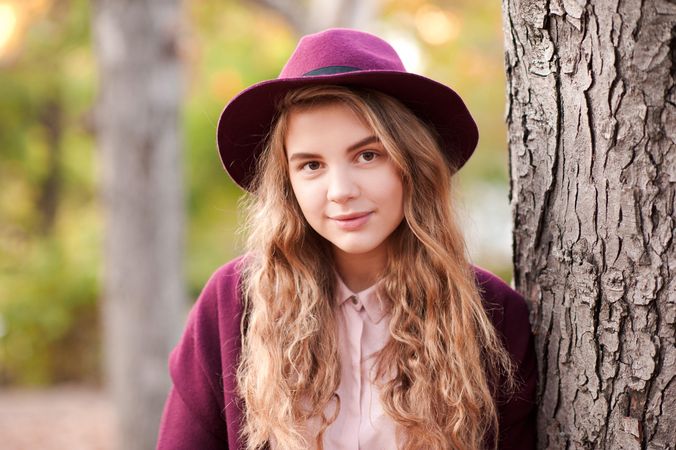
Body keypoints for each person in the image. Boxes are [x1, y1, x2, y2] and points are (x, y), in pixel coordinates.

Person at [157, 28, 537, 450]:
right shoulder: (232, 305)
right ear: (288, 184)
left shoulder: (495, 317)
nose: (340, 190)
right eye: (311, 165)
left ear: (413, 163)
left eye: (367, 155)